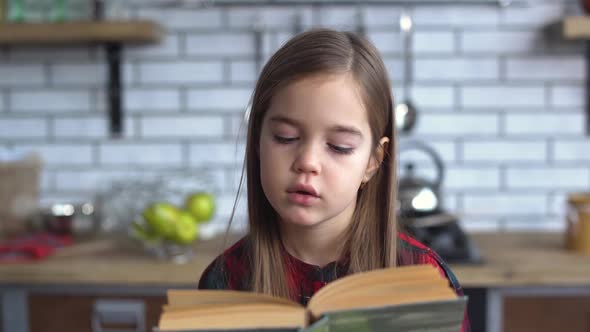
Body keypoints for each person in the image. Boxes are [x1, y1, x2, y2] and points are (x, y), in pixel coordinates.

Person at [198, 28, 470, 332]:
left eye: (339, 146)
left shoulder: (423, 282)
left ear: (372, 161)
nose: (308, 163)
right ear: (258, 141)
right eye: (285, 137)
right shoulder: (224, 281)